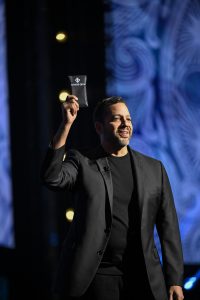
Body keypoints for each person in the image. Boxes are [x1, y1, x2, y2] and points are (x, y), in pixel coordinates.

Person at [41, 94, 184, 300]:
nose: (125, 123)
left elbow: (168, 226)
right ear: (99, 127)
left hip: (143, 274)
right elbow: (51, 178)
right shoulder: (82, 161)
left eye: (128, 118)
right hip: (98, 275)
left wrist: (174, 279)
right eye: (117, 118)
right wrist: (66, 125)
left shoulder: (155, 169)